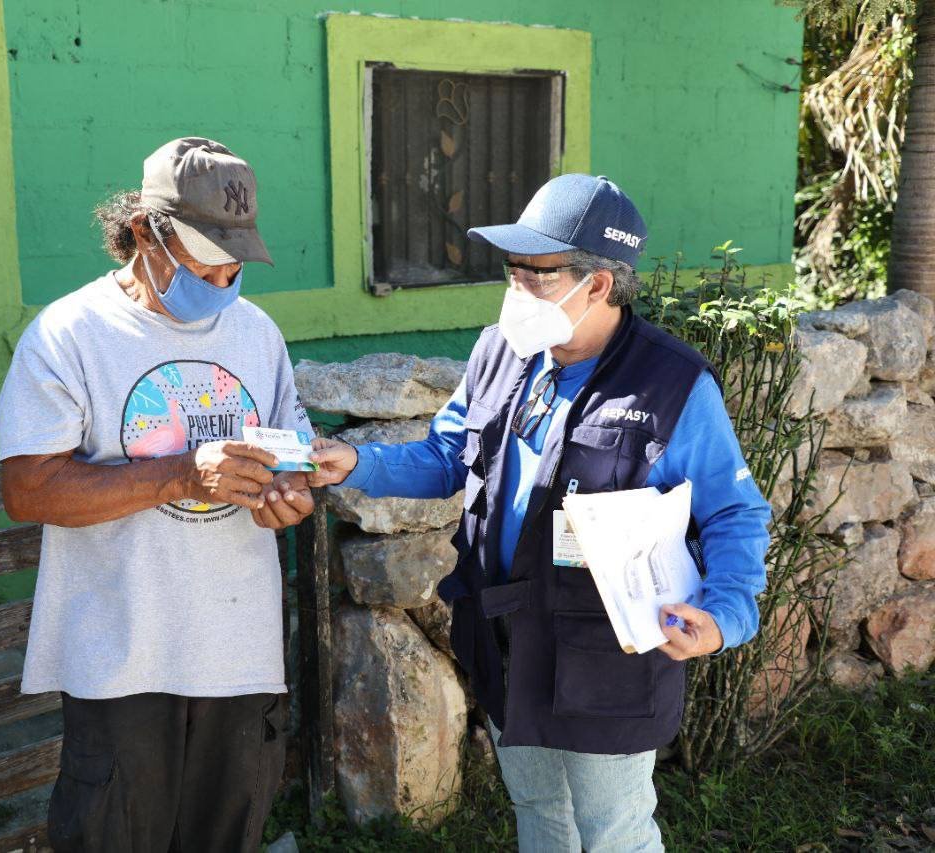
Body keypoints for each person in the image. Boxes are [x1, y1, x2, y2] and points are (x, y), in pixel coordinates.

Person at [308, 174, 771, 852]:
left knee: (613, 832)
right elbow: (449, 455)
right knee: (538, 812)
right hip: (507, 638)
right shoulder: (501, 352)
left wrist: (726, 615)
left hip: (605, 658)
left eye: (538, 275)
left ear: (598, 284)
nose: (517, 290)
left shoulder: (672, 383)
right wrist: (358, 463)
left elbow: (734, 511)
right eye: (513, 271)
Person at [0, 137, 313, 852]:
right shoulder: (70, 334)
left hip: (240, 655)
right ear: (144, 232)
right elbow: (27, 490)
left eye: (236, 263)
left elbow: (290, 458)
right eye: (205, 261)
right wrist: (179, 474)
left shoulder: (257, 333)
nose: (223, 279)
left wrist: (288, 495)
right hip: (122, 661)